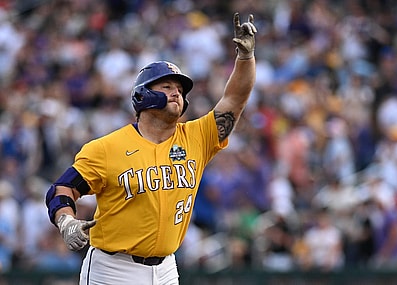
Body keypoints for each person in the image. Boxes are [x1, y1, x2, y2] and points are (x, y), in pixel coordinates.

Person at [45, 12, 257, 285]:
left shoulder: (196, 137)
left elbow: (235, 98)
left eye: (180, 89)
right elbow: (62, 188)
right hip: (113, 268)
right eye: (167, 86)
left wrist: (245, 59)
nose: (176, 93)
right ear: (143, 95)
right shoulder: (107, 148)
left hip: (167, 267)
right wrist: (66, 222)